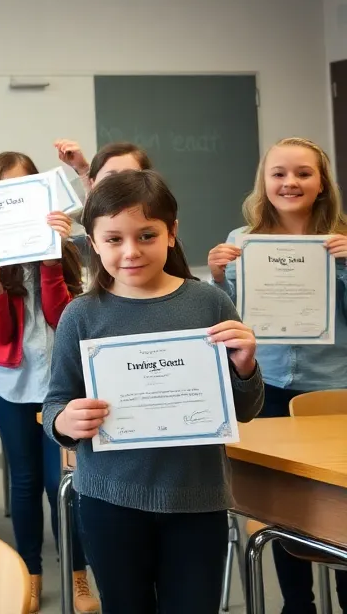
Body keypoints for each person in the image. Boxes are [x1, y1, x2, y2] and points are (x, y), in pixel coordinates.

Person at [44, 170, 264, 613]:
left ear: (172, 233)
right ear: (93, 241)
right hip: (109, 500)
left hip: (197, 500)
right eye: (114, 239)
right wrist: (65, 421)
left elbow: (243, 411)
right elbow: (55, 403)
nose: (130, 251)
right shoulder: (81, 315)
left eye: (146, 235)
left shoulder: (209, 303)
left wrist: (245, 366)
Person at [208, 137, 347, 614]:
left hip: (333, 391)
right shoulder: (242, 241)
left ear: (322, 182)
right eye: (279, 173)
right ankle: (297, 604)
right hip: (265, 386)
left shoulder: (345, 239)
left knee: (340, 503)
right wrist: (220, 280)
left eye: (304, 173)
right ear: (263, 183)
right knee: (286, 509)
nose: (291, 183)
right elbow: (231, 319)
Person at [0, 152, 94, 614]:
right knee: (23, 483)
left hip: (60, 388)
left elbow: (63, 319)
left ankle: (77, 574)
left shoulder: (60, 246)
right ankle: (30, 572)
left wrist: (47, 259)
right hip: (12, 388)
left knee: (62, 482)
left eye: (25, 188)